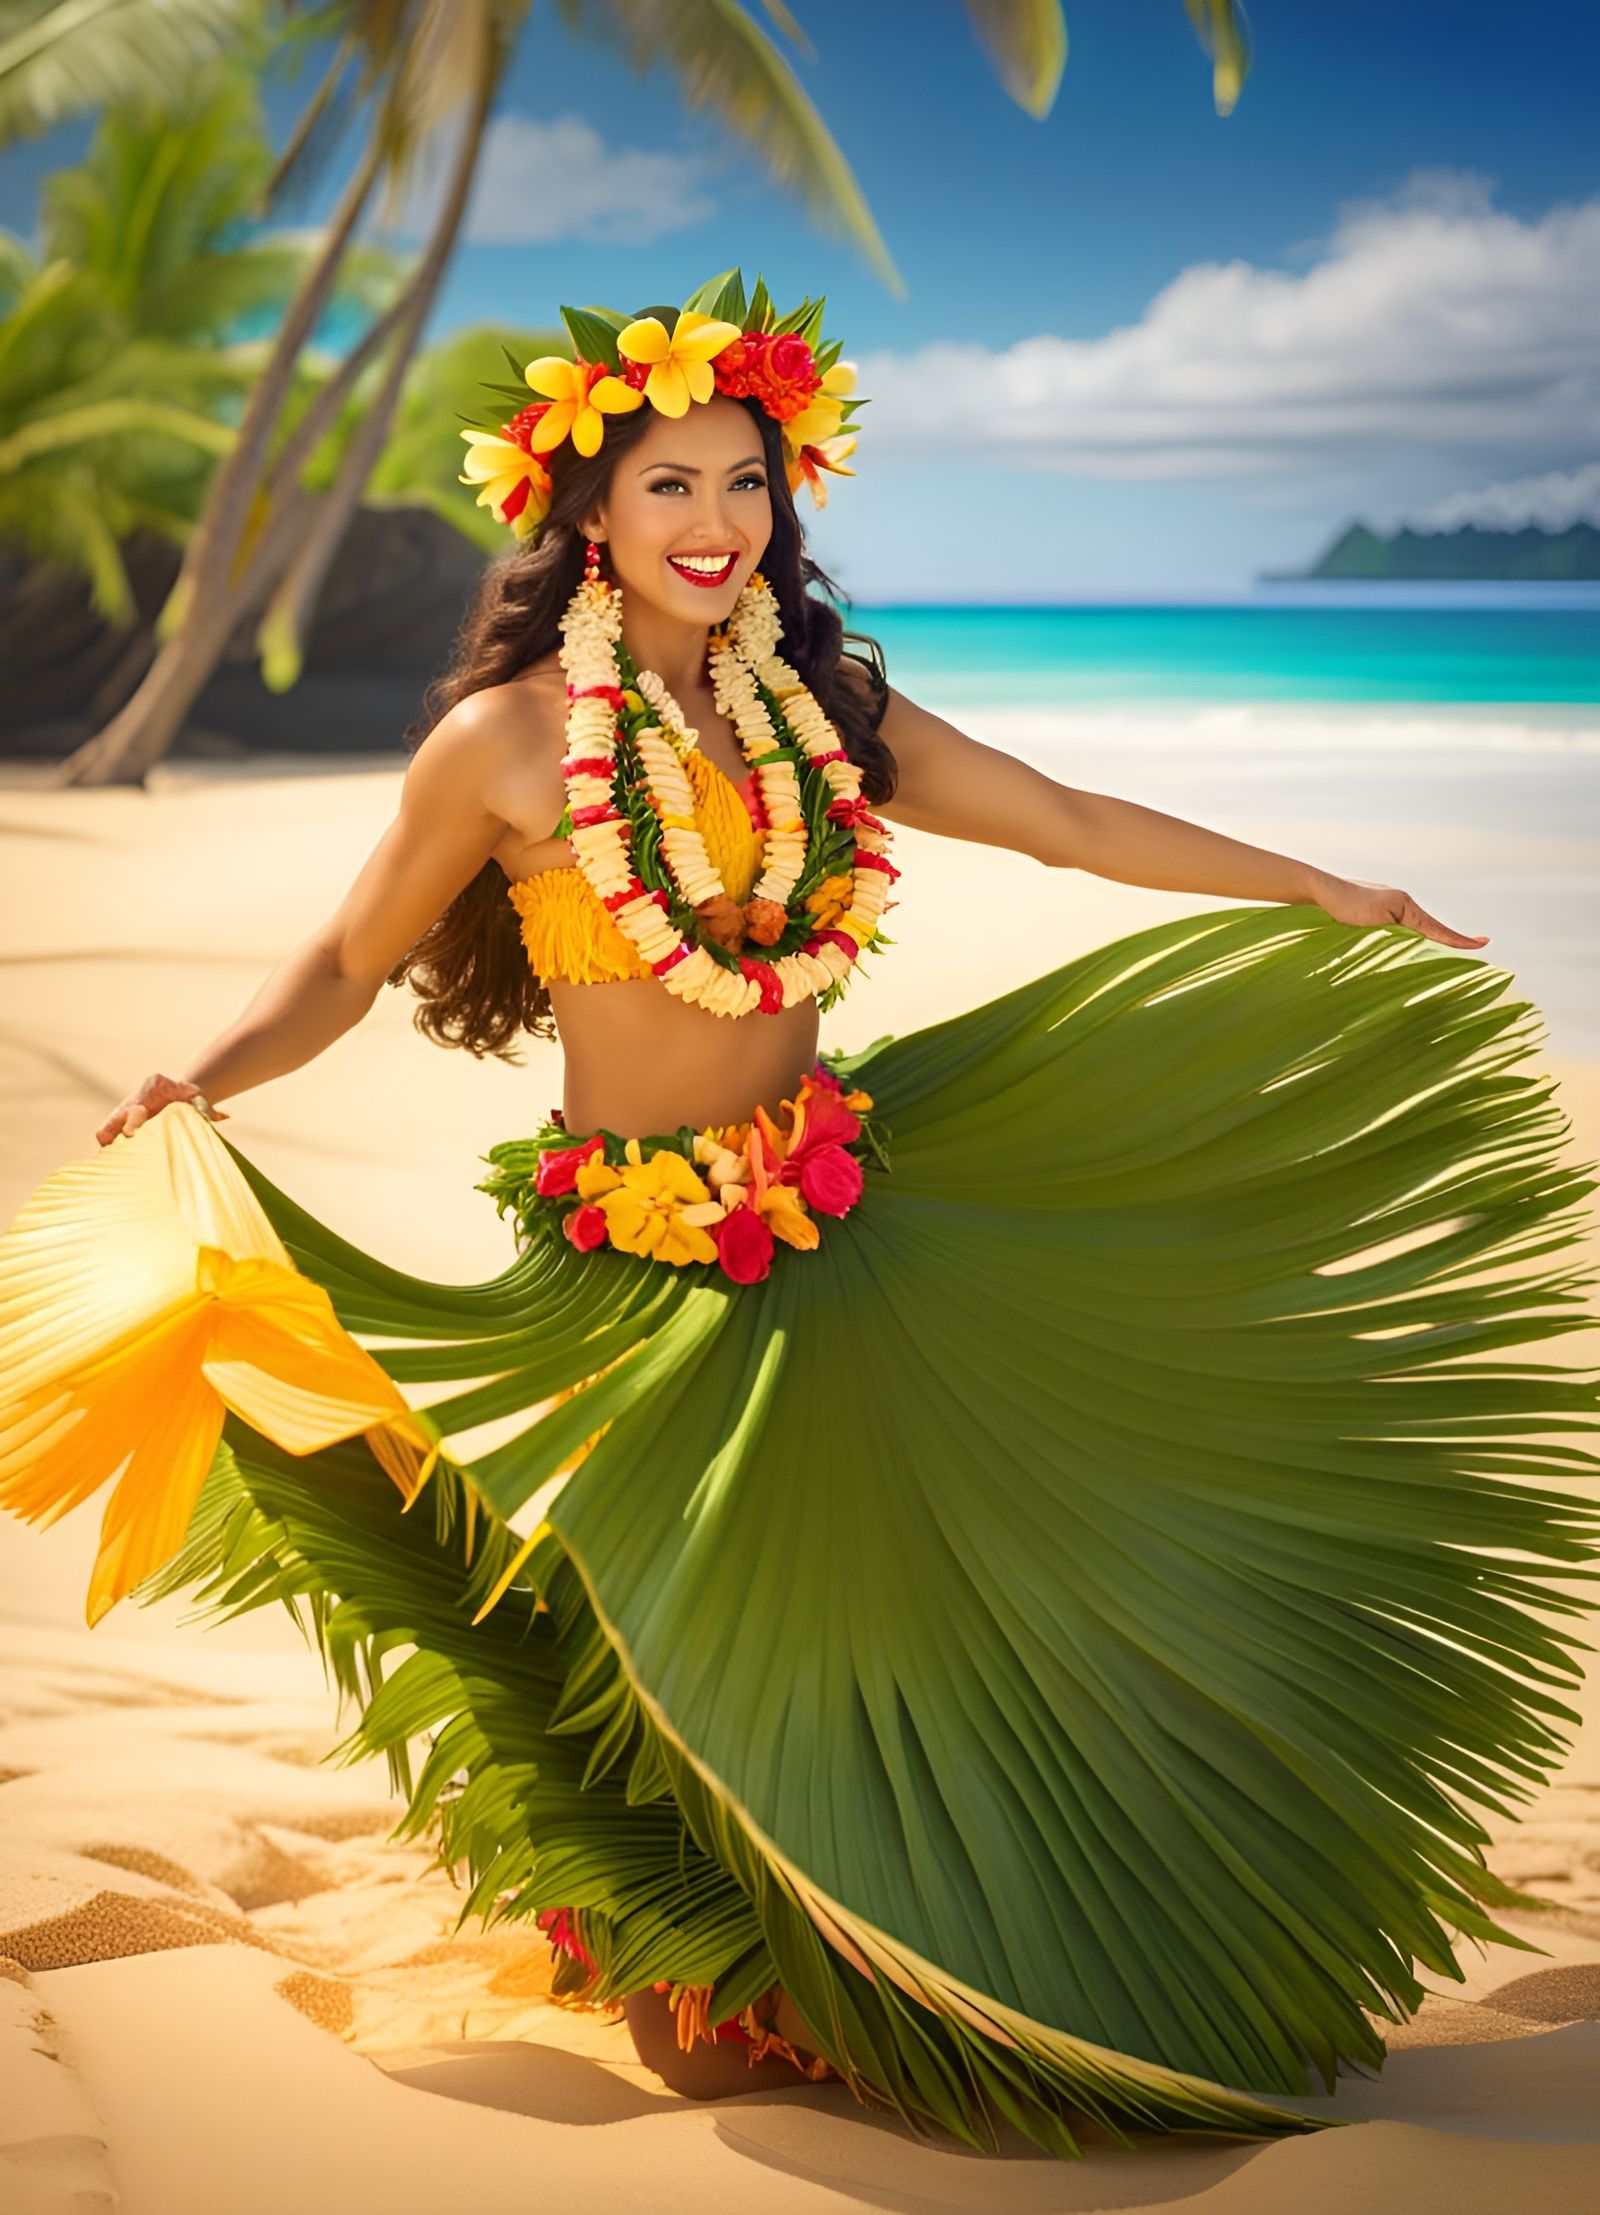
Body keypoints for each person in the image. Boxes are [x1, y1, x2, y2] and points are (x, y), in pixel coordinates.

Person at [3, 270, 1596, 2159]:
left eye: (746, 483)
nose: (715, 523)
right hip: (625, 1263)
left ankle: (909, 1947)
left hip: (846, 1218)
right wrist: (203, 1080)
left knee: (904, 1623)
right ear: (589, 511)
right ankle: (711, 1940)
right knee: (671, 1643)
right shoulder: (507, 744)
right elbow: (347, 964)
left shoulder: (823, 707)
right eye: (671, 485)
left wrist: (1320, 887)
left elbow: (1068, 820)